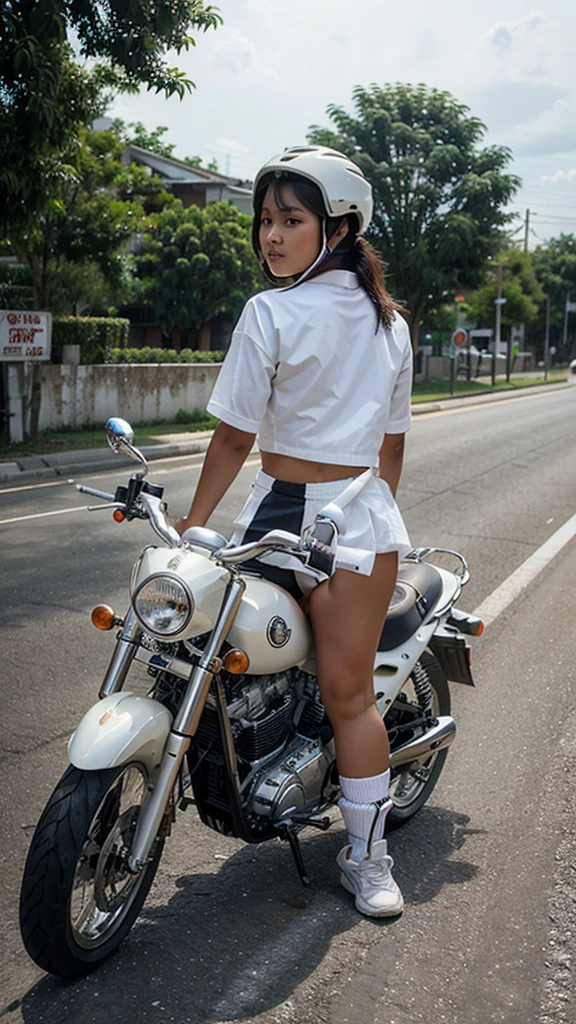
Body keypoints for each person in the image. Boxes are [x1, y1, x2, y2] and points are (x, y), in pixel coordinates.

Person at [175, 145, 413, 917]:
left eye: (291, 220)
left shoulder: (369, 323)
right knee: (224, 661)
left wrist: (193, 525)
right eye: (266, 221)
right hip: (302, 516)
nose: (271, 236)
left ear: (338, 228)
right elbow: (392, 451)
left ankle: (368, 859)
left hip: (338, 525)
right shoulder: (282, 312)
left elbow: (235, 439)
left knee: (348, 696)